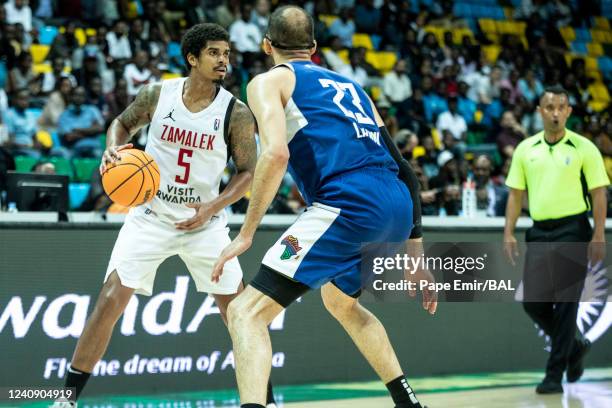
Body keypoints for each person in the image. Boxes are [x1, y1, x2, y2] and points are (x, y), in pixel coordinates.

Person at [212, 6, 436, 408]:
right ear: (313, 48)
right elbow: (405, 168)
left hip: (349, 205)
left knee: (245, 312)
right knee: (340, 302)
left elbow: (276, 154)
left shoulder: (268, 82)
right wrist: (416, 256)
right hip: (397, 207)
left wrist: (246, 234)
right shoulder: (354, 88)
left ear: (266, 45)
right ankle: (408, 402)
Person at [52, 23, 277, 407]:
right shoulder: (159, 94)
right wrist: (112, 147)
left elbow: (247, 173)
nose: (224, 60)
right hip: (150, 217)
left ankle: (266, 401)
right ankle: (66, 398)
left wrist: (213, 206)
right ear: (192, 58)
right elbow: (122, 124)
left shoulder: (235, 113)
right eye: (214, 53)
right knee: (109, 301)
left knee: (240, 316)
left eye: (226, 53)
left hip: (205, 225)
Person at [504, 86, 609, 394]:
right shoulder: (526, 149)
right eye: (548, 107)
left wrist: (599, 234)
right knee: (534, 302)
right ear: (540, 111)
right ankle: (575, 349)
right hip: (539, 231)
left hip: (573, 230)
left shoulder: (584, 147)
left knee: (565, 304)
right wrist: (508, 231)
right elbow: (515, 194)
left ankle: (554, 375)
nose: (554, 113)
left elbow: (598, 193)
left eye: (560, 107)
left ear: (568, 112)